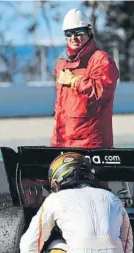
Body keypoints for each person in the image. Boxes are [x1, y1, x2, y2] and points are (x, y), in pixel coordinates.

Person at [51, 8, 120, 149]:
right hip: (62, 142)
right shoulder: (61, 64)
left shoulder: (101, 60)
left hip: (90, 144)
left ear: (88, 32)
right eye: (69, 33)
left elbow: (102, 92)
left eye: (79, 32)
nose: (74, 37)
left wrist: (75, 81)